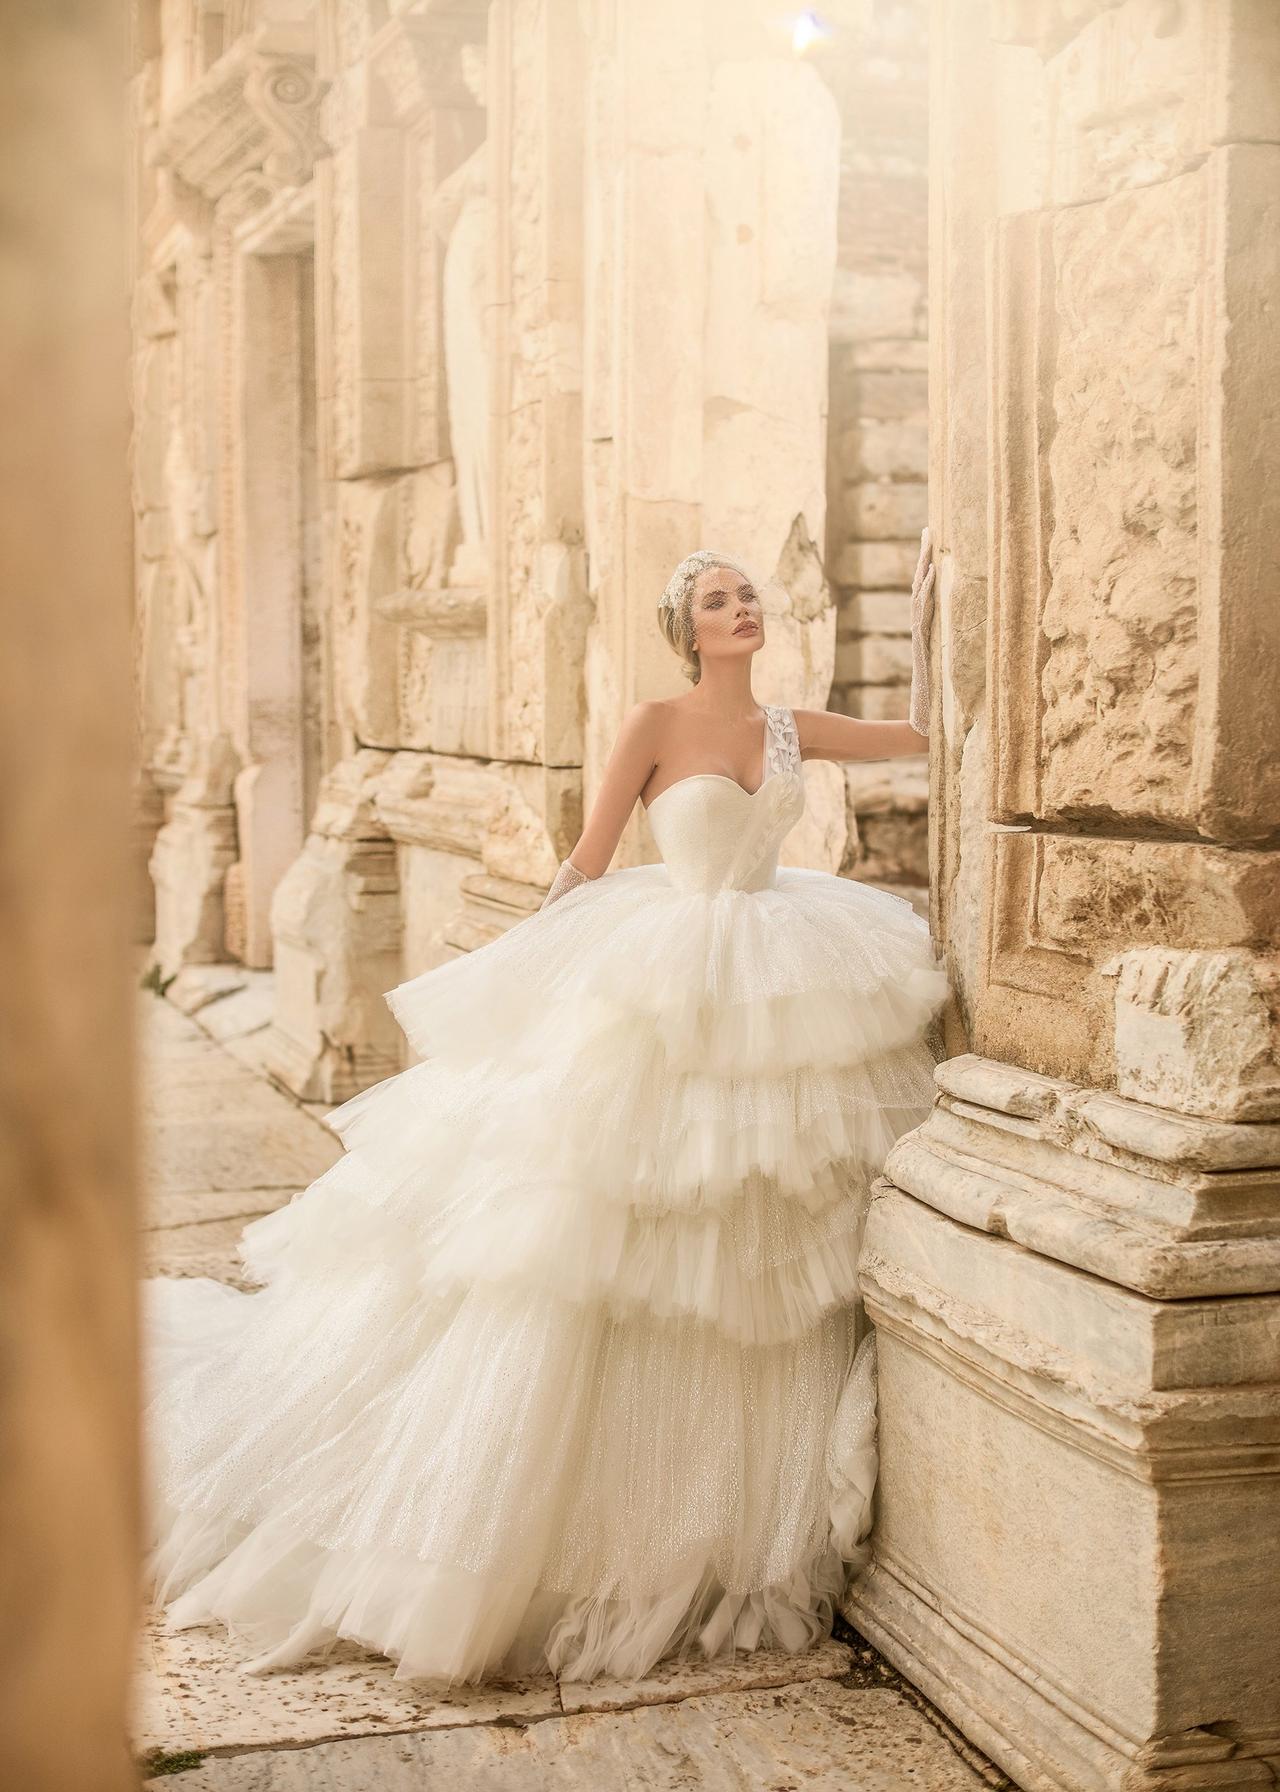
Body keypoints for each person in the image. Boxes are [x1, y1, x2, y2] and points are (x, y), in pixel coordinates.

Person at [143, 529, 947, 1687]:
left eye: (746, 596)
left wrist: (924, 632)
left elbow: (914, 738)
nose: (740, 610)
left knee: (756, 1229)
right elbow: (586, 859)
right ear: (686, 632)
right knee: (613, 1238)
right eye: (717, 601)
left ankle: (729, 1510)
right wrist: (527, 972)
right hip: (669, 973)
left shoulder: (787, 727)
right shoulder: (653, 725)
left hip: (781, 966)